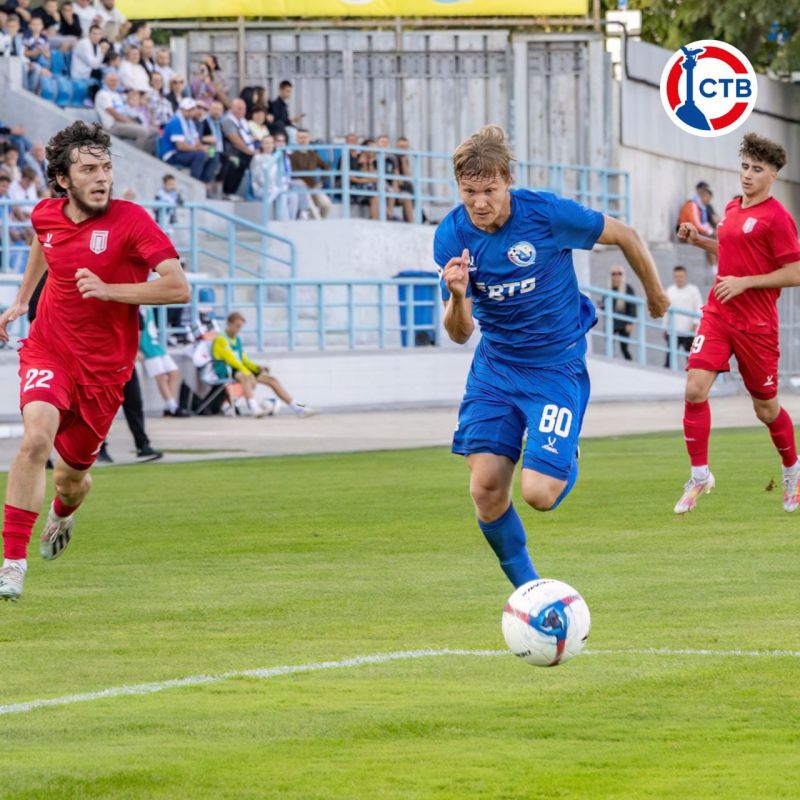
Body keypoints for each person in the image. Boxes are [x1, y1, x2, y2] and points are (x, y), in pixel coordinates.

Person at [436, 125, 667, 589]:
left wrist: (655, 296)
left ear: (508, 181)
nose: (479, 203)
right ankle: (531, 594)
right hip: (496, 369)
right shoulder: (451, 236)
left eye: (489, 190)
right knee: (485, 490)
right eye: (469, 192)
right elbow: (460, 334)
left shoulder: (547, 215)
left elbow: (626, 235)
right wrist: (458, 295)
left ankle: (566, 446)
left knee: (540, 494)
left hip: (554, 367)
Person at [0, 120, 190, 600]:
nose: (101, 176)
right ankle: (12, 564)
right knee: (35, 440)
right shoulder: (46, 214)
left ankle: (63, 515)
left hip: (105, 373)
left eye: (105, 167)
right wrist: (23, 299)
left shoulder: (132, 221)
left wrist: (110, 290)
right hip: (49, 349)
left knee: (71, 481)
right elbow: (42, 241)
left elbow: (177, 286)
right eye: (88, 169)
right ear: (63, 179)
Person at [675, 133, 800, 515]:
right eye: (744, 166)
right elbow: (732, 249)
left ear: (773, 175)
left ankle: (793, 468)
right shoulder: (732, 207)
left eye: (757, 169)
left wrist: (745, 282)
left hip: (756, 325)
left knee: (766, 410)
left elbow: (795, 271)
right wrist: (699, 240)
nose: (747, 175)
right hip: (719, 314)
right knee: (695, 389)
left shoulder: (777, 218)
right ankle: (699, 476)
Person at [212, 312, 316, 418]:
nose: (239, 329)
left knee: (272, 380)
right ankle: (254, 408)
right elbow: (231, 361)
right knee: (245, 377)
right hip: (225, 370)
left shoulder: (237, 340)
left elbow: (244, 360)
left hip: (239, 369)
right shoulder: (221, 339)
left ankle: (298, 407)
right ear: (229, 324)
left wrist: (256, 368)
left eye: (241, 327)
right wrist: (248, 373)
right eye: (237, 326)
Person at [139, 305, 187, 417]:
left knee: (174, 372)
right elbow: (137, 330)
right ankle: (172, 406)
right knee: (161, 377)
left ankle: (170, 405)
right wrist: (137, 349)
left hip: (155, 344)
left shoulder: (148, 307)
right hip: (146, 347)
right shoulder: (139, 309)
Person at [159, 97, 219, 185]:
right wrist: (199, 149)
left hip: (185, 152)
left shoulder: (190, 123)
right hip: (172, 154)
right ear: (182, 110)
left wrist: (204, 148)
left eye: (192, 109)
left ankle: (204, 182)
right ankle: (194, 183)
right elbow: (180, 146)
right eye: (188, 110)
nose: (191, 112)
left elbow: (197, 142)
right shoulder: (176, 121)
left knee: (213, 154)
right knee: (200, 155)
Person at [95, 71, 157, 154]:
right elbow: (115, 114)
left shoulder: (116, 94)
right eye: (111, 80)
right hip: (112, 125)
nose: (114, 83)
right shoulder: (103, 94)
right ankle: (136, 156)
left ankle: (147, 155)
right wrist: (132, 123)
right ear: (105, 81)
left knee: (154, 131)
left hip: (122, 122)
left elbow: (126, 110)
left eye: (116, 81)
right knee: (143, 132)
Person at [663, 265, 702, 368]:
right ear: (673, 277)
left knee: (691, 361)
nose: (679, 279)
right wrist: (665, 327)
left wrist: (695, 323)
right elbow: (666, 311)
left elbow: (699, 307)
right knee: (669, 360)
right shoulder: (670, 290)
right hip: (673, 331)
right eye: (676, 277)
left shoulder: (693, 290)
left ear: (686, 276)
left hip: (689, 331)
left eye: (681, 276)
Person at [289, 128, 331, 219]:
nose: (303, 140)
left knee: (326, 204)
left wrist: (321, 182)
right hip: (301, 188)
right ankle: (319, 224)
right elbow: (293, 174)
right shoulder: (292, 156)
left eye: (305, 137)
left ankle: (314, 222)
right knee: (313, 209)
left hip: (313, 187)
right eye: (300, 137)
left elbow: (326, 167)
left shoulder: (314, 155)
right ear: (296, 140)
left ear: (309, 139)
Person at [220, 97, 257, 199]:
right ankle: (229, 192)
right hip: (230, 152)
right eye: (239, 109)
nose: (242, 111)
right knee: (238, 162)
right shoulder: (228, 121)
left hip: (242, 151)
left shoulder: (243, 121)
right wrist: (250, 152)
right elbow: (235, 140)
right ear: (232, 108)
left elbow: (251, 136)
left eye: (243, 109)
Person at [609, 264, 637, 360]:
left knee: (624, 348)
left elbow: (632, 306)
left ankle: (630, 364)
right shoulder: (609, 289)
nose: (617, 276)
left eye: (619, 273)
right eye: (614, 273)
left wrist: (630, 323)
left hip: (624, 324)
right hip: (612, 323)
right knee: (609, 346)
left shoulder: (627, 288)